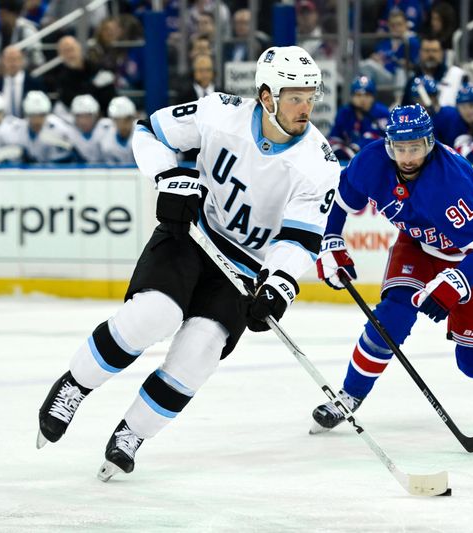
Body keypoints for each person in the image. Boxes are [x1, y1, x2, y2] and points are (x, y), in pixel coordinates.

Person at [35, 45, 340, 481]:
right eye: (295, 96)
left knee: (199, 351)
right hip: (193, 237)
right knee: (153, 315)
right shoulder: (219, 113)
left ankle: (132, 434)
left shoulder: (318, 164)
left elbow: (300, 238)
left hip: (244, 270)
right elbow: (149, 131)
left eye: (311, 96)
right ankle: (75, 385)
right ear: (267, 96)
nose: (306, 107)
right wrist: (168, 179)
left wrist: (279, 284)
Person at [310, 104, 473, 432]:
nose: (407, 157)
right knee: (391, 316)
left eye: (415, 147)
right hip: (418, 247)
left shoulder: (450, 184)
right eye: (399, 148)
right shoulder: (372, 163)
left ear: (429, 143)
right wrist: (330, 240)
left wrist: (459, 279)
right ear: (389, 145)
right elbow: (341, 201)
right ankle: (348, 396)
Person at [328, 75, 390, 161]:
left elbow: (388, 142)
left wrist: (360, 146)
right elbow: (333, 139)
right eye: (358, 95)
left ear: (373, 97)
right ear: (352, 96)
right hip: (347, 161)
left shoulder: (382, 113)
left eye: (367, 95)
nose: (362, 99)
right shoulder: (344, 113)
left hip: (375, 161)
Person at [15, 90, 76, 163]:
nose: (37, 120)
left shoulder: (60, 128)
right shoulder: (17, 129)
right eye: (33, 115)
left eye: (41, 115)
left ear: (47, 114)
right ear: (26, 115)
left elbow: (70, 156)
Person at [0, 46, 46, 119]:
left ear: (22, 61)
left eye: (15, 59)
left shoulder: (35, 84)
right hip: (4, 127)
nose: (12, 63)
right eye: (9, 59)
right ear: (3, 61)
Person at [68, 94, 114, 163]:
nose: (83, 121)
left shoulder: (108, 128)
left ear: (96, 115)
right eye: (79, 116)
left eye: (87, 116)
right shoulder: (67, 133)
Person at [99, 96, 136, 164]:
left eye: (126, 119)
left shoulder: (143, 134)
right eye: (118, 120)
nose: (122, 125)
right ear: (113, 121)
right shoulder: (106, 142)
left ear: (132, 118)